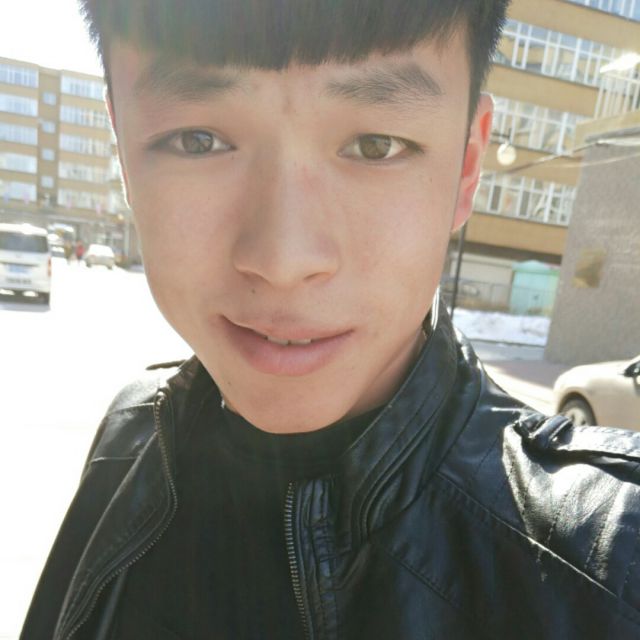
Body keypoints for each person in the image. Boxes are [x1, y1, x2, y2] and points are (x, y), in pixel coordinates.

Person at [21, 1, 640, 638]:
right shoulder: (130, 436)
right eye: (198, 140)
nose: (284, 261)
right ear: (123, 153)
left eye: (375, 146)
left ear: (466, 166)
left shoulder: (612, 566)